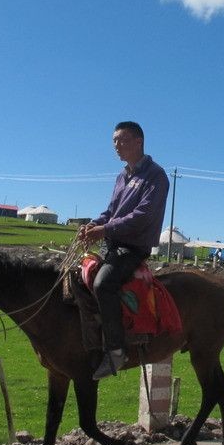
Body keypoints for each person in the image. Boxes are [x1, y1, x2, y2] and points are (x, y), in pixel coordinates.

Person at [78, 121, 170, 380]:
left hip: (133, 247)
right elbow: (111, 211)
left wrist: (105, 230)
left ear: (139, 141)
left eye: (122, 140)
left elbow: (142, 215)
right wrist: (94, 224)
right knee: (76, 278)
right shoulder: (122, 176)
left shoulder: (156, 176)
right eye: (114, 141)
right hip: (113, 243)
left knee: (103, 283)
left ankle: (117, 351)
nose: (116, 146)